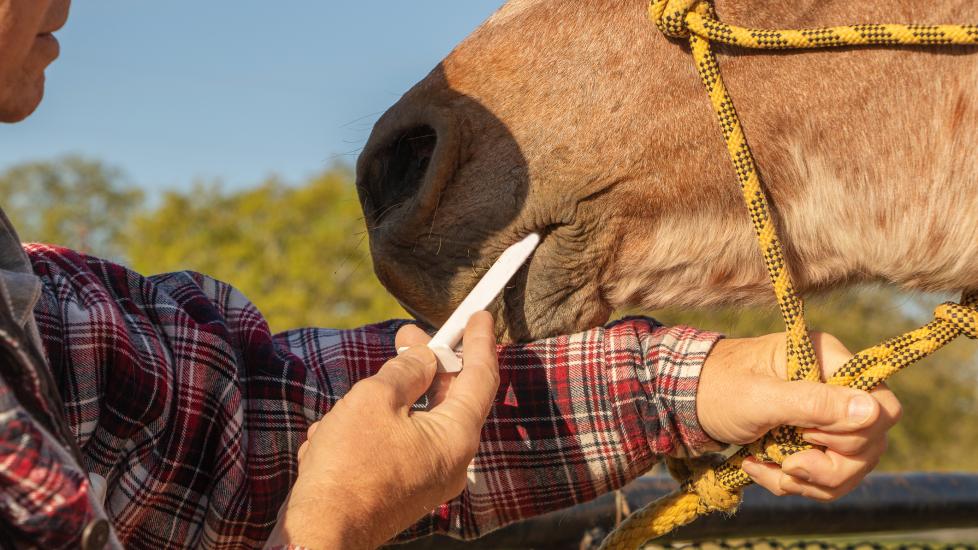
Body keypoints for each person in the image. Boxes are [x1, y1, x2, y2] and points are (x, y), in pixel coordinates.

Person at [0, 1, 901, 549]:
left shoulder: (37, 317)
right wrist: (328, 530)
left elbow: (246, 417)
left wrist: (696, 383)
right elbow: (311, 474)